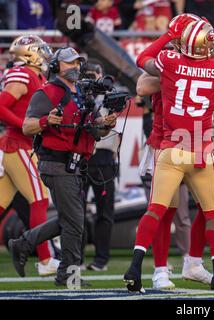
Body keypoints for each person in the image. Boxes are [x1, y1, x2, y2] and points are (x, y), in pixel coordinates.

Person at [124, 15, 214, 293]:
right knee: (190, 211)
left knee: (170, 208)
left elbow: (145, 60)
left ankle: (176, 263)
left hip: (173, 145)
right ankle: (176, 272)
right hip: (187, 146)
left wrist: (169, 38)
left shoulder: (170, 61)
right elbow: (143, 86)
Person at [8, 47, 119, 286]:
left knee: (70, 220)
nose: (76, 67)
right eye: (70, 63)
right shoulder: (46, 92)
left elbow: (92, 127)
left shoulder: (83, 92)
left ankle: (22, 244)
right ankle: (68, 276)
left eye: (78, 63)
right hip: (56, 162)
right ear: (57, 66)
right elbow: (27, 126)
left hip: (76, 164)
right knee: (75, 223)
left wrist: (105, 124)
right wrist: (46, 120)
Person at [0, 35, 60, 277]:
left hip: (21, 145)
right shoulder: (22, 74)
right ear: (29, 53)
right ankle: (45, 260)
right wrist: (24, 124)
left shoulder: (38, 76)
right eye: (40, 49)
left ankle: (46, 259)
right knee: (39, 200)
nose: (45, 53)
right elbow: (1, 106)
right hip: (18, 145)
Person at [81, 60, 119, 272]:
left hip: (103, 157)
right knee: (76, 209)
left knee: (104, 211)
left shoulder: (109, 95)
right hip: (82, 156)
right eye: (88, 74)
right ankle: (75, 257)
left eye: (95, 74)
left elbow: (110, 121)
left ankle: (101, 258)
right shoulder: (78, 93)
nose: (93, 78)